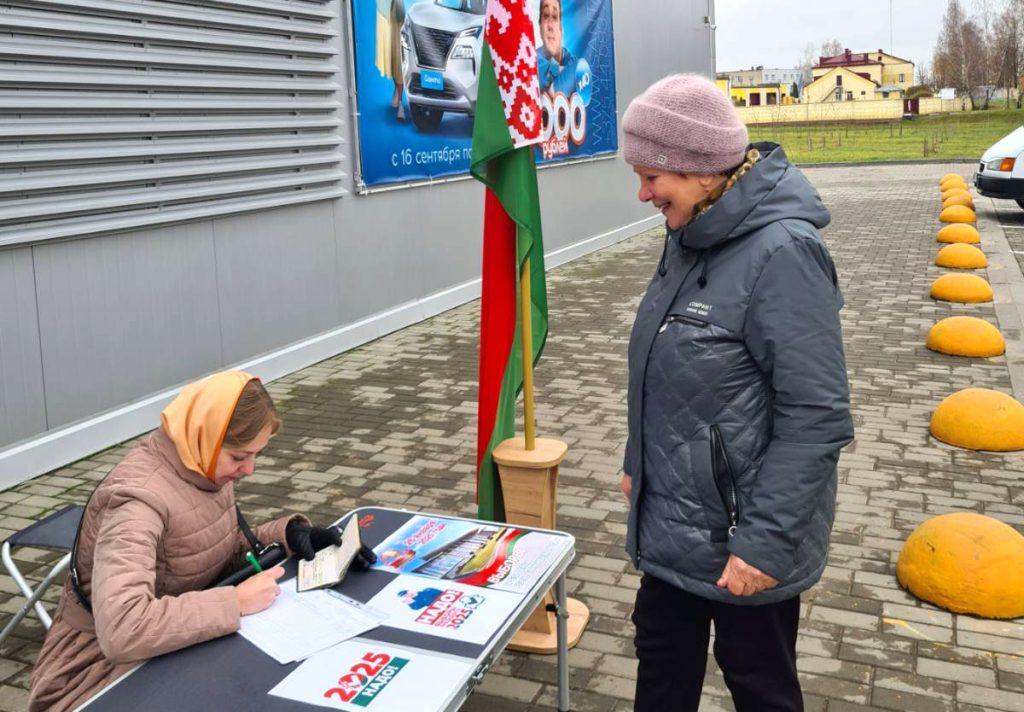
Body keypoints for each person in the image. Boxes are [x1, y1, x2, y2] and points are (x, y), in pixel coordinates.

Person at [620, 74, 854, 711]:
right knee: (660, 668)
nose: (642, 194)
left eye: (651, 176)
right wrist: (637, 462)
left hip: (744, 536)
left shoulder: (784, 252)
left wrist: (766, 543)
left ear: (700, 171)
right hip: (673, 526)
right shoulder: (691, 235)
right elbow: (670, 370)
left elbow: (817, 415)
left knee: (759, 685)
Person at [29, 371, 350, 712]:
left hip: (171, 651)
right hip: (93, 675)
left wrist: (288, 535)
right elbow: (122, 629)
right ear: (203, 435)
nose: (249, 470)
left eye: (256, 455)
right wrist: (234, 602)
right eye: (239, 457)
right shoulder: (136, 503)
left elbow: (206, 550)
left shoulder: (201, 464)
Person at [537, 0, 578, 97]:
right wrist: (562, 72)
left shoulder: (573, 62)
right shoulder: (531, 60)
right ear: (540, 28)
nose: (550, 26)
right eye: (545, 16)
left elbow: (578, 68)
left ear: (561, 29)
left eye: (555, 17)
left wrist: (552, 90)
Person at [376, 0, 406, 120]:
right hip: (387, 18)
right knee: (392, 60)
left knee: (399, 62)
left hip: (399, 17)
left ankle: (400, 104)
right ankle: (397, 91)